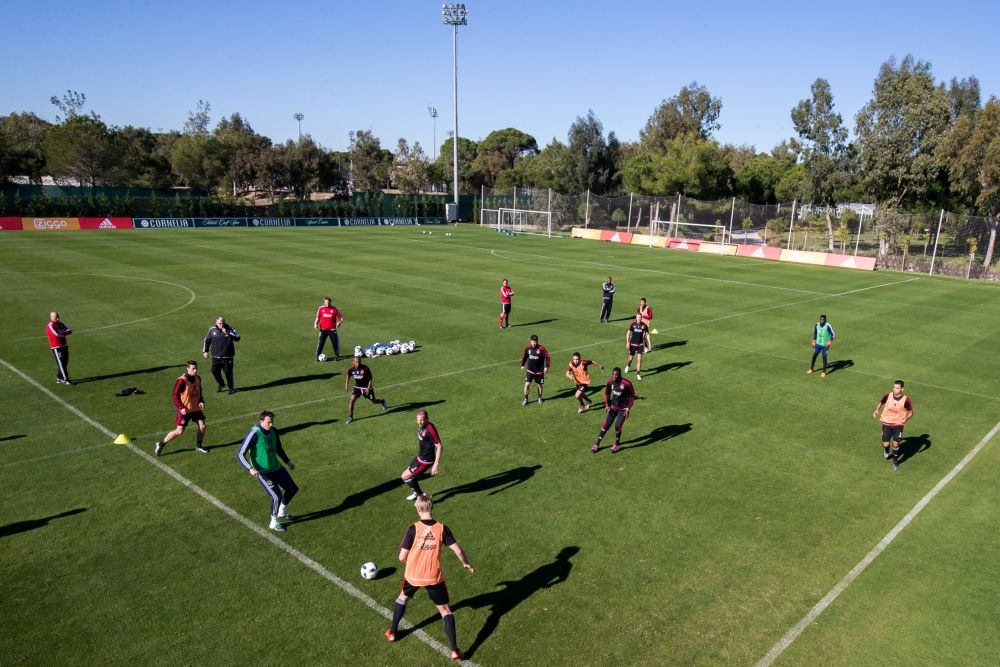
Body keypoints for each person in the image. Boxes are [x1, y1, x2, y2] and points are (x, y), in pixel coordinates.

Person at [385, 494, 474, 662]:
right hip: (433, 577)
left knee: (402, 597)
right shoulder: (442, 528)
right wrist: (466, 563)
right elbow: (458, 550)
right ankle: (454, 650)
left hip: (412, 576)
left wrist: (412, 559)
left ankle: (392, 633)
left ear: (419, 509)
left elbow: (401, 557)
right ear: (431, 507)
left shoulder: (412, 528)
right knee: (445, 610)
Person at [237, 410, 298, 531]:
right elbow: (240, 454)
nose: (271, 425)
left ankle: (281, 511)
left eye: (272, 422)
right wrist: (250, 469)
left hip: (276, 467)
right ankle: (273, 522)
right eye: (268, 422)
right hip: (263, 472)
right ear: (261, 421)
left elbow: (279, 449)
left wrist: (288, 462)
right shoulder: (254, 434)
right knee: (276, 496)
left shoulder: (274, 431)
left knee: (292, 489)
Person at [154, 360, 208, 455]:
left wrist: (201, 401)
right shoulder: (181, 381)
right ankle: (161, 443)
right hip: (185, 410)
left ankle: (198, 446)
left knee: (202, 426)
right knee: (179, 431)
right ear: (187, 369)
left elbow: (200, 390)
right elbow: (174, 395)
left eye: (196, 368)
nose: (195, 371)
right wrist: (180, 407)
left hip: (195, 408)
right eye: (193, 369)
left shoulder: (198, 378)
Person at [400, 410, 443, 501]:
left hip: (426, 461)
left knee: (405, 476)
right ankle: (416, 493)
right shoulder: (422, 426)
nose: (419, 422)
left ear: (427, 419)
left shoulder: (430, 429)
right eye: (418, 420)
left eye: (422, 420)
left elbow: (439, 446)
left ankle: (422, 496)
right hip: (420, 456)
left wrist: (436, 464)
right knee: (411, 475)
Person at [592, 367, 635, 454]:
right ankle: (597, 444)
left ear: (620, 375)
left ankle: (616, 444)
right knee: (606, 425)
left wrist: (628, 408)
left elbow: (632, 395)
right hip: (613, 407)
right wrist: (607, 405)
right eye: (613, 374)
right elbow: (607, 393)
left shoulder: (626, 383)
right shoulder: (610, 382)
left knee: (617, 426)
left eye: (616, 374)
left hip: (623, 409)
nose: (614, 376)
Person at [872, 380, 914, 471]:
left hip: (898, 424)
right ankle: (886, 450)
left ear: (902, 389)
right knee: (885, 443)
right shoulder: (888, 396)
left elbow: (911, 412)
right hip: (886, 423)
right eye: (894, 387)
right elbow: (881, 402)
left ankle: (895, 461)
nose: (895, 389)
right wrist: (876, 410)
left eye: (897, 388)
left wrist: (905, 419)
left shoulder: (906, 400)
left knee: (895, 443)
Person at [344, 355, 388, 424]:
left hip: (366, 387)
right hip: (357, 387)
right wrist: (346, 385)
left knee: (374, 401)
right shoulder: (351, 368)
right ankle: (350, 417)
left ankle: (382, 401)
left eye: (359, 362)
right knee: (352, 399)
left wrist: (368, 388)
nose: (358, 364)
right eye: (356, 362)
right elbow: (348, 375)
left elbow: (370, 378)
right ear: (353, 362)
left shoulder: (365, 368)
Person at [203, 316, 240, 394]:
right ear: (216, 322)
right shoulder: (212, 330)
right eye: (219, 323)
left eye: (222, 323)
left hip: (228, 357)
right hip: (216, 357)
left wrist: (228, 333)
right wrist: (205, 351)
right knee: (214, 371)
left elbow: (237, 337)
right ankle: (221, 384)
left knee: (228, 373)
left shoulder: (231, 329)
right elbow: (207, 341)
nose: (221, 325)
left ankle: (231, 388)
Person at [519, 334, 551, 405]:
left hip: (539, 372)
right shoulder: (528, 348)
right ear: (531, 341)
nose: (534, 343)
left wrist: (546, 367)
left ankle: (539, 397)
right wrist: (522, 365)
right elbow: (524, 356)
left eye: (535, 342)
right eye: (533, 342)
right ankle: (526, 399)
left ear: (537, 341)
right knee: (527, 384)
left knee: (539, 385)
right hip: (530, 371)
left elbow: (548, 357)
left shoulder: (541, 349)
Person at [46, 311, 73, 385]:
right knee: (61, 363)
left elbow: (69, 331)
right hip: (56, 347)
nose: (57, 319)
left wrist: (63, 333)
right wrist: (63, 333)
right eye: (56, 317)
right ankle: (66, 379)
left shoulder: (61, 324)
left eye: (58, 317)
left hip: (64, 345)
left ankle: (59, 377)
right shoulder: (50, 326)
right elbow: (56, 335)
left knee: (64, 363)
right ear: (51, 318)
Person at [314, 296, 344, 361]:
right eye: (326, 302)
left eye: (328, 303)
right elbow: (318, 317)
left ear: (330, 303)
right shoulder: (321, 308)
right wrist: (315, 323)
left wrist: (339, 323)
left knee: (335, 343)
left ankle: (337, 356)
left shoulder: (334, 309)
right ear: (324, 302)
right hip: (323, 330)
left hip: (332, 330)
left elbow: (341, 318)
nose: (327, 304)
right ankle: (317, 355)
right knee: (320, 343)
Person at [624, 313, 651, 380]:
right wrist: (627, 342)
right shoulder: (632, 324)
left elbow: (647, 335)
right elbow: (628, 333)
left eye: (640, 317)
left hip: (640, 345)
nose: (639, 318)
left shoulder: (644, 325)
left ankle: (638, 374)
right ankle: (628, 365)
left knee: (639, 360)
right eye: (638, 317)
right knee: (630, 359)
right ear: (636, 318)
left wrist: (649, 345)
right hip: (632, 345)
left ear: (641, 318)